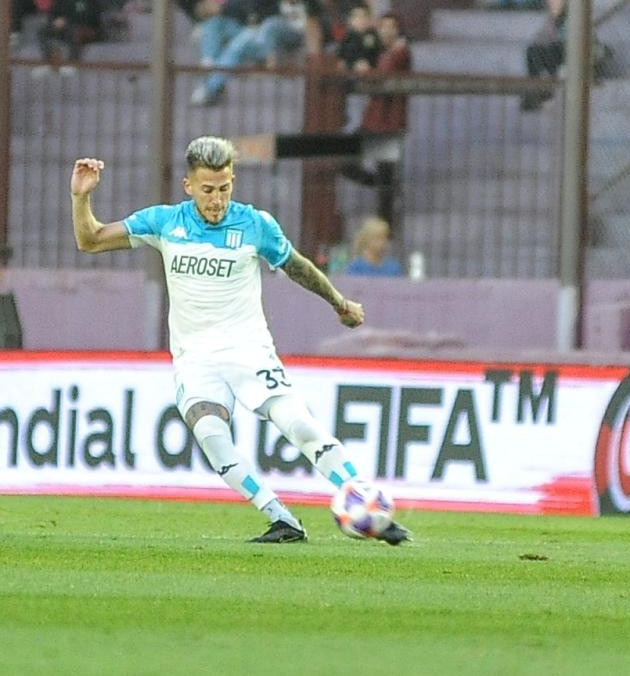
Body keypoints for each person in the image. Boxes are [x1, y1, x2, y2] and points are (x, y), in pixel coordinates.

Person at [70, 137, 411, 545]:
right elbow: (90, 240)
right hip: (195, 359)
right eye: (208, 190)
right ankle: (281, 518)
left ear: (233, 181)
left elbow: (297, 266)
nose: (217, 200)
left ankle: (368, 504)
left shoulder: (255, 225)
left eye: (225, 188)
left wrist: (339, 303)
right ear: (189, 186)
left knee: (298, 424)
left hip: (248, 351)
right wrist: (80, 198)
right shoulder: (163, 222)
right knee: (212, 437)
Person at [36, 0, 102, 71]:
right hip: (63, 28)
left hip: (85, 29)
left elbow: (89, 17)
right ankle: (47, 62)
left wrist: (67, 21)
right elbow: (53, 14)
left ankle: (72, 63)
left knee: (74, 31)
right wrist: (55, 21)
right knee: (42, 31)